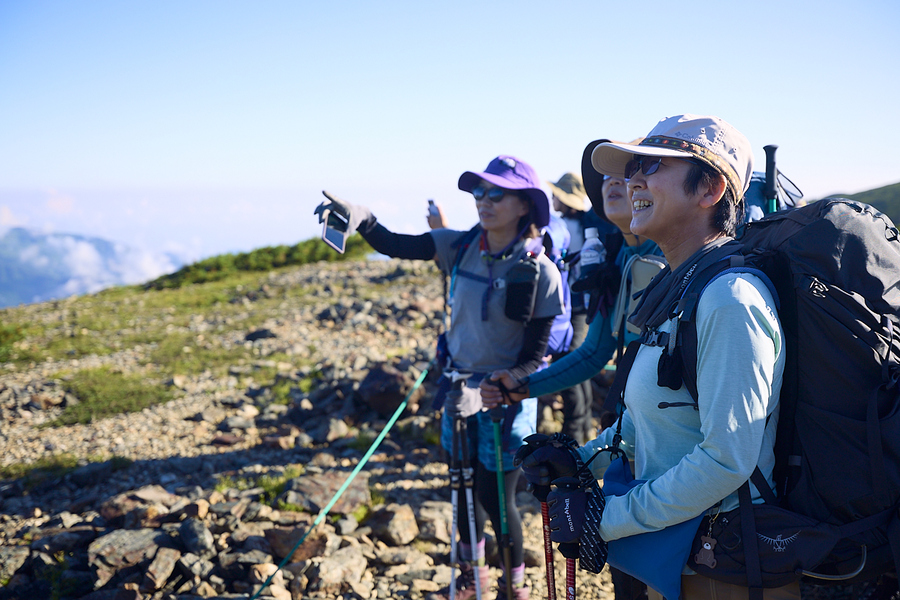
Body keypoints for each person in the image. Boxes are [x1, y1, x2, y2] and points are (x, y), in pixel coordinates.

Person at [484, 115, 797, 600]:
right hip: (681, 556)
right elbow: (647, 420)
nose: (632, 181)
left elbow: (726, 461)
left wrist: (606, 519)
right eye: (630, 169)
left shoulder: (730, 299)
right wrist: (580, 459)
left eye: (652, 166)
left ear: (710, 188)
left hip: (729, 564)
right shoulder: (678, 285)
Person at [315, 155, 564, 600]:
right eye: (479, 192)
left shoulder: (540, 269)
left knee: (495, 497)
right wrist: (363, 218)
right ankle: (473, 577)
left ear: (525, 205)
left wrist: (496, 389)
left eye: (497, 193)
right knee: (461, 491)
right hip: (457, 388)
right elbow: (396, 245)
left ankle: (513, 586)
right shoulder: (459, 245)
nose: (483, 201)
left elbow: (534, 357)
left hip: (505, 399)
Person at [484, 141, 662, 600]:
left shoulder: (671, 262)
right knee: (628, 577)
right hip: (629, 437)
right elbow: (594, 353)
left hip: (662, 456)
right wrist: (521, 386)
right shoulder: (622, 260)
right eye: (606, 177)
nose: (615, 182)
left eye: (633, 172)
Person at [545, 172, 599, 444]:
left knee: (568, 367)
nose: (552, 199)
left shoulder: (563, 228)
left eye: (555, 194)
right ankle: (584, 430)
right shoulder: (588, 227)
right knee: (580, 366)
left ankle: (573, 439)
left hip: (568, 309)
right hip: (586, 307)